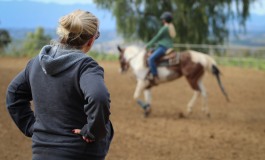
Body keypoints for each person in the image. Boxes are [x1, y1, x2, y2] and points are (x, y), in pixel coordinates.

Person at [6, 10, 113, 160]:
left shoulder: (36, 63)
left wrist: (31, 126)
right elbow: (98, 97)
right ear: (90, 40)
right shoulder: (85, 66)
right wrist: (93, 131)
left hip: (41, 153)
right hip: (79, 152)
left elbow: (13, 93)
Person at [146, 11, 176, 84]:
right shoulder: (171, 27)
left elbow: (157, 37)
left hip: (163, 47)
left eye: (163, 19)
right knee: (152, 53)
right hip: (166, 46)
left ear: (165, 20)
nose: (162, 20)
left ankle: (155, 75)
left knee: (151, 59)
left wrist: (148, 45)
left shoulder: (164, 28)